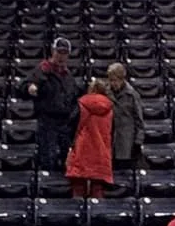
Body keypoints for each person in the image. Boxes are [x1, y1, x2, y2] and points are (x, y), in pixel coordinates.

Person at [26, 38, 82, 174]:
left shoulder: (68, 75)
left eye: (64, 53)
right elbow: (24, 86)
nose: (61, 56)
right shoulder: (42, 70)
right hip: (47, 122)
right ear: (53, 51)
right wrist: (30, 88)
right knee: (48, 157)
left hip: (65, 123)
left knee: (66, 158)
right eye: (59, 52)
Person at [67, 77, 115, 199]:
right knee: (97, 189)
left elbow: (70, 127)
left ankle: (77, 210)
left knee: (78, 187)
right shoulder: (110, 109)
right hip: (101, 151)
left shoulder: (81, 105)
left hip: (81, 149)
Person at [106, 62, 147, 172]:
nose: (113, 83)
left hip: (126, 142)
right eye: (111, 80)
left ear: (122, 79)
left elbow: (139, 121)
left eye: (115, 80)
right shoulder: (105, 93)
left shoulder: (132, 95)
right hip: (109, 141)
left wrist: (138, 142)